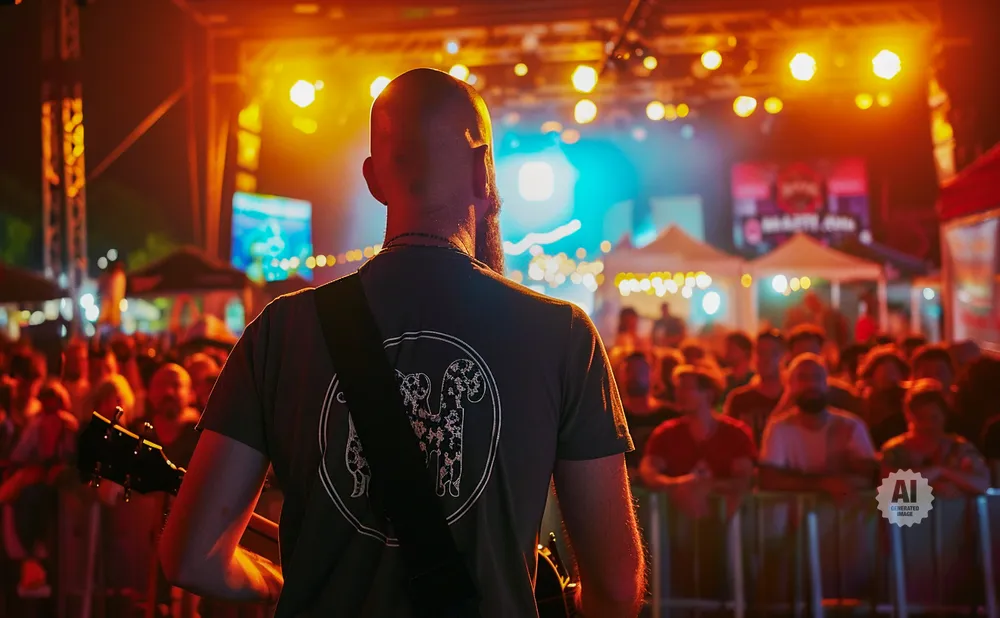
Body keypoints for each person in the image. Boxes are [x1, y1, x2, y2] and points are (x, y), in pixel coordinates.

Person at [160, 68, 645, 618]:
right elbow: (618, 589)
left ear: (374, 178)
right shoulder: (562, 335)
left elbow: (191, 559)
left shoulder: (281, 330)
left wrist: (271, 585)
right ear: (484, 172)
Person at [640, 362, 756, 519]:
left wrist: (708, 486)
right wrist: (677, 484)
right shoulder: (666, 433)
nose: (679, 394)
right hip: (677, 530)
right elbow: (649, 471)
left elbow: (744, 478)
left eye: (686, 388)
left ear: (708, 394)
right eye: (677, 388)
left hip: (727, 527)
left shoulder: (735, 434)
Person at [759, 354, 878, 503]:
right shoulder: (779, 428)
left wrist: (798, 482)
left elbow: (868, 476)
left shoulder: (852, 425)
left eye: (817, 377)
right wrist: (824, 483)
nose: (811, 384)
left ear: (826, 383)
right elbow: (769, 480)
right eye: (803, 378)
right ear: (789, 385)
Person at [880, 379, 989, 498]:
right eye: (921, 418)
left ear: (944, 416)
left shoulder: (960, 448)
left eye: (934, 418)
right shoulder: (895, 451)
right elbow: (888, 486)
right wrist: (932, 483)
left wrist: (942, 471)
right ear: (908, 416)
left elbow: (982, 484)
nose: (928, 425)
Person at [725, 329, 786, 445]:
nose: (766, 359)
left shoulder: (793, 398)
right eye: (761, 353)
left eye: (772, 353)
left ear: (784, 356)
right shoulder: (739, 400)